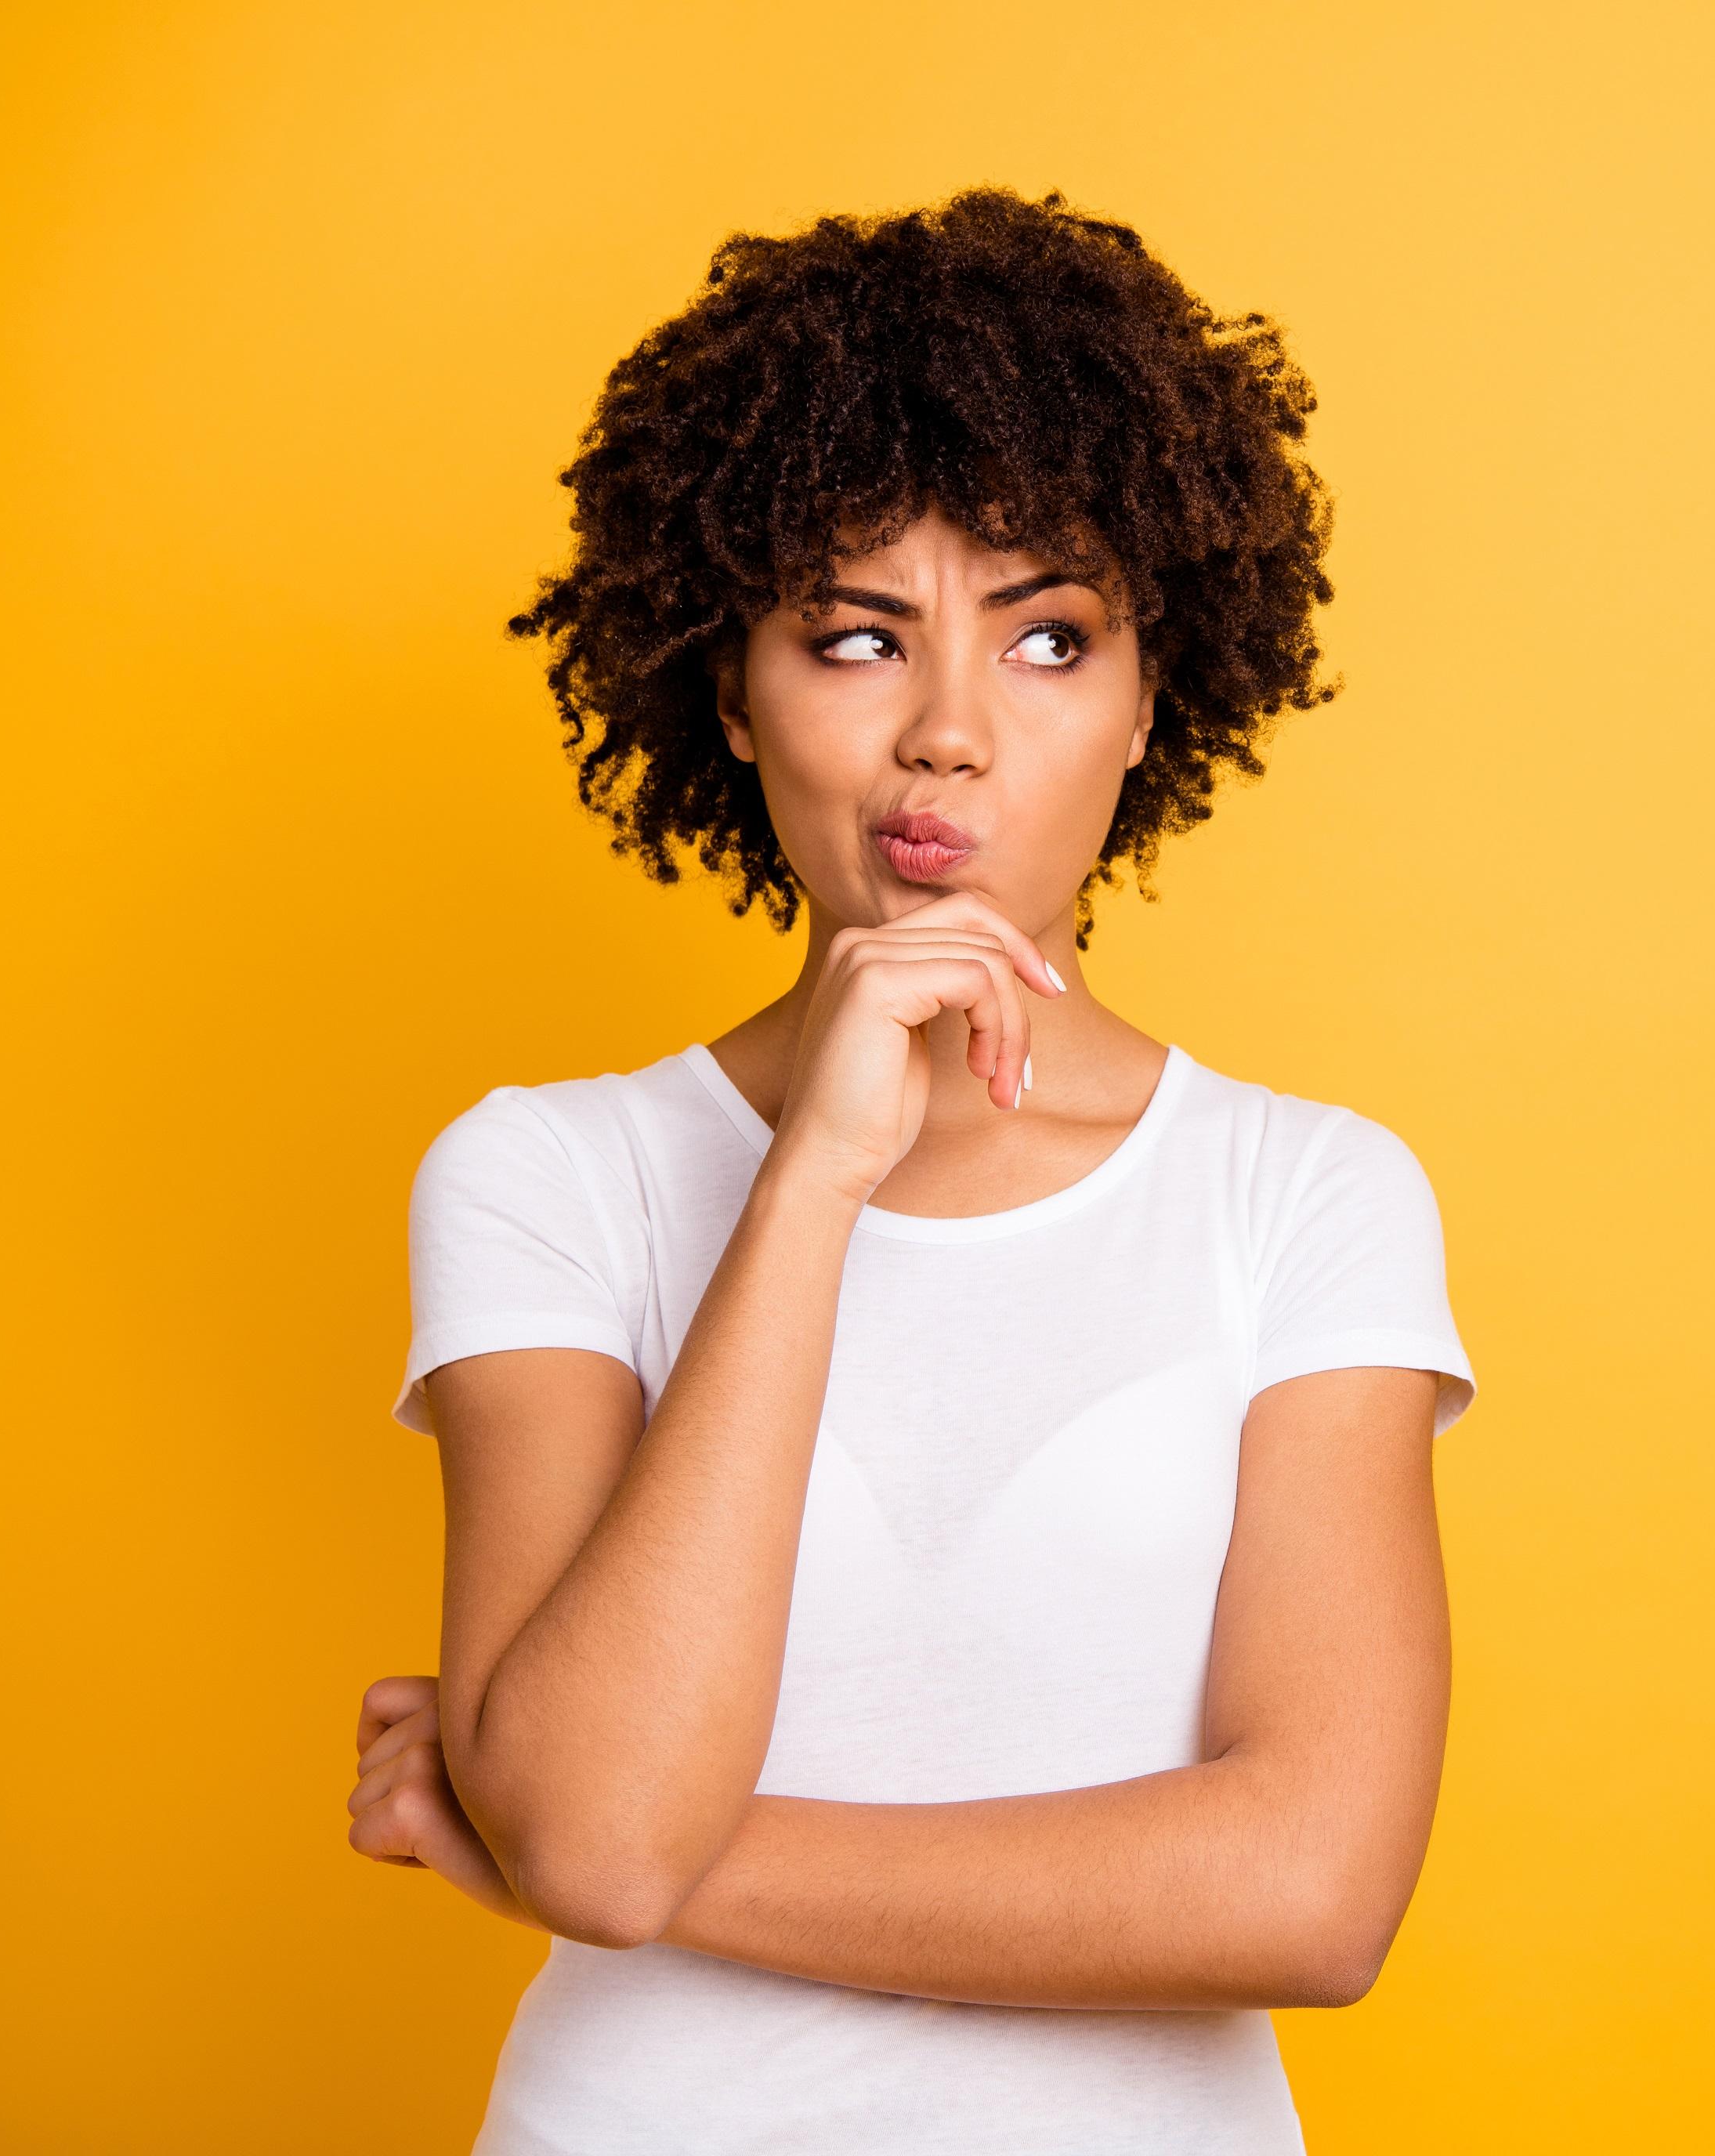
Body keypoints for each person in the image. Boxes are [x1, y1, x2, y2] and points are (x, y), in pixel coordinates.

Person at [338, 187, 1475, 2155]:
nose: (946, 731)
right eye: (857, 635)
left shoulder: (1307, 1195)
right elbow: (595, 1818)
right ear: (731, 684)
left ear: (1149, 698)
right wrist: (814, 1180)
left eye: (1047, 636)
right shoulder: (549, 1174)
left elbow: (1311, 1889)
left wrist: (575, 1844)